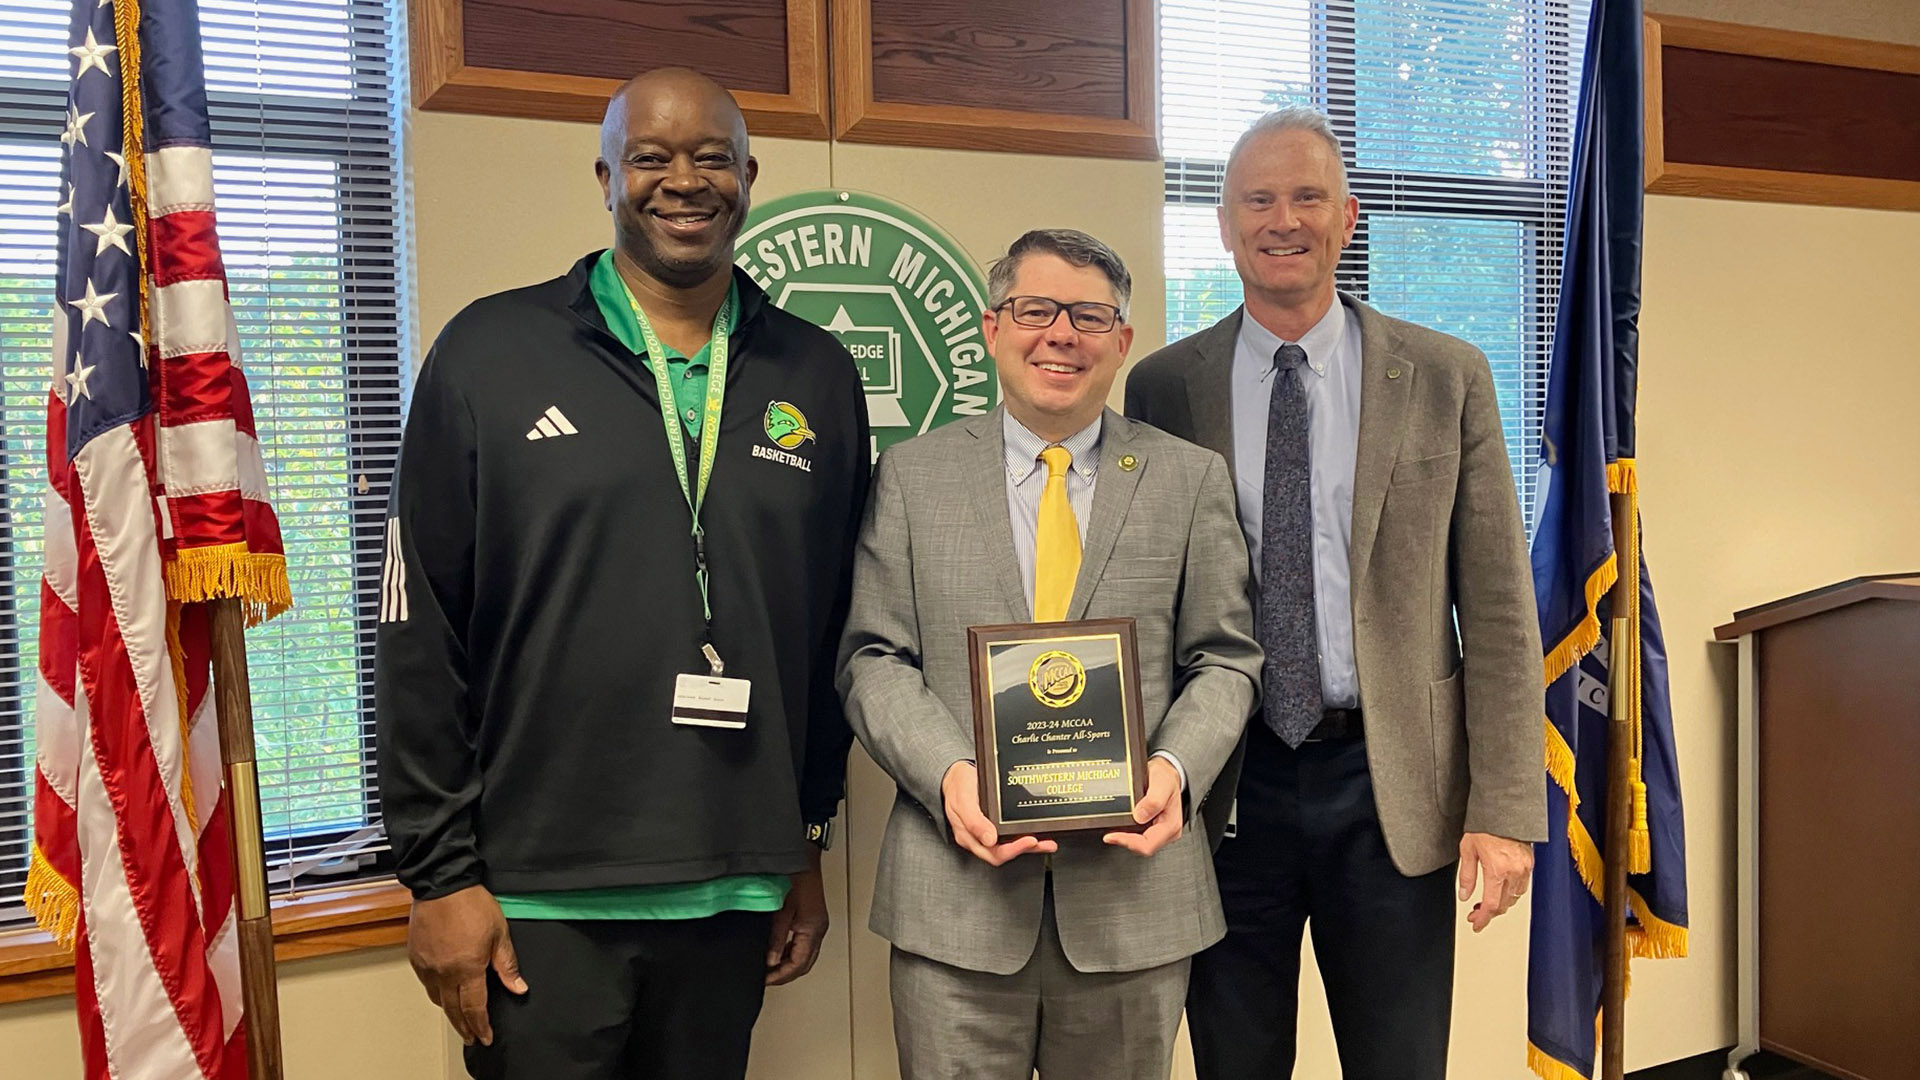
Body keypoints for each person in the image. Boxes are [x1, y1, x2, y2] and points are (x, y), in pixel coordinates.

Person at [375, 67, 869, 1080]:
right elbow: (420, 628)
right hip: (538, 896)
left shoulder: (814, 373)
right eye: (651, 156)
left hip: (734, 885)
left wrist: (804, 836)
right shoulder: (489, 352)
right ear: (605, 174)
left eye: (711, 157)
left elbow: (826, 632)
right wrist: (436, 877)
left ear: (749, 176)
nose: (682, 181)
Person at [1125, 106, 1546, 1080]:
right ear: (1223, 225)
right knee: (1236, 1062)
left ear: (1347, 216)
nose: (1283, 220)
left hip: (1390, 784)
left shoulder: (1447, 375)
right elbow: (1144, 599)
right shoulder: (1162, 387)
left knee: (1399, 1062)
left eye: (1307, 196)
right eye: (1257, 200)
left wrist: (1505, 803)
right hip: (1228, 787)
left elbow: (1496, 610)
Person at [838, 229, 1262, 1080]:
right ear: (994, 328)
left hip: (1132, 906)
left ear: (1122, 342)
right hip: (954, 902)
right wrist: (951, 774)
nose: (1060, 334)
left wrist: (1175, 770)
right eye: (1036, 311)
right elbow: (874, 657)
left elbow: (1224, 658)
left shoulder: (1188, 479)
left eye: (1089, 316)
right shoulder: (914, 477)